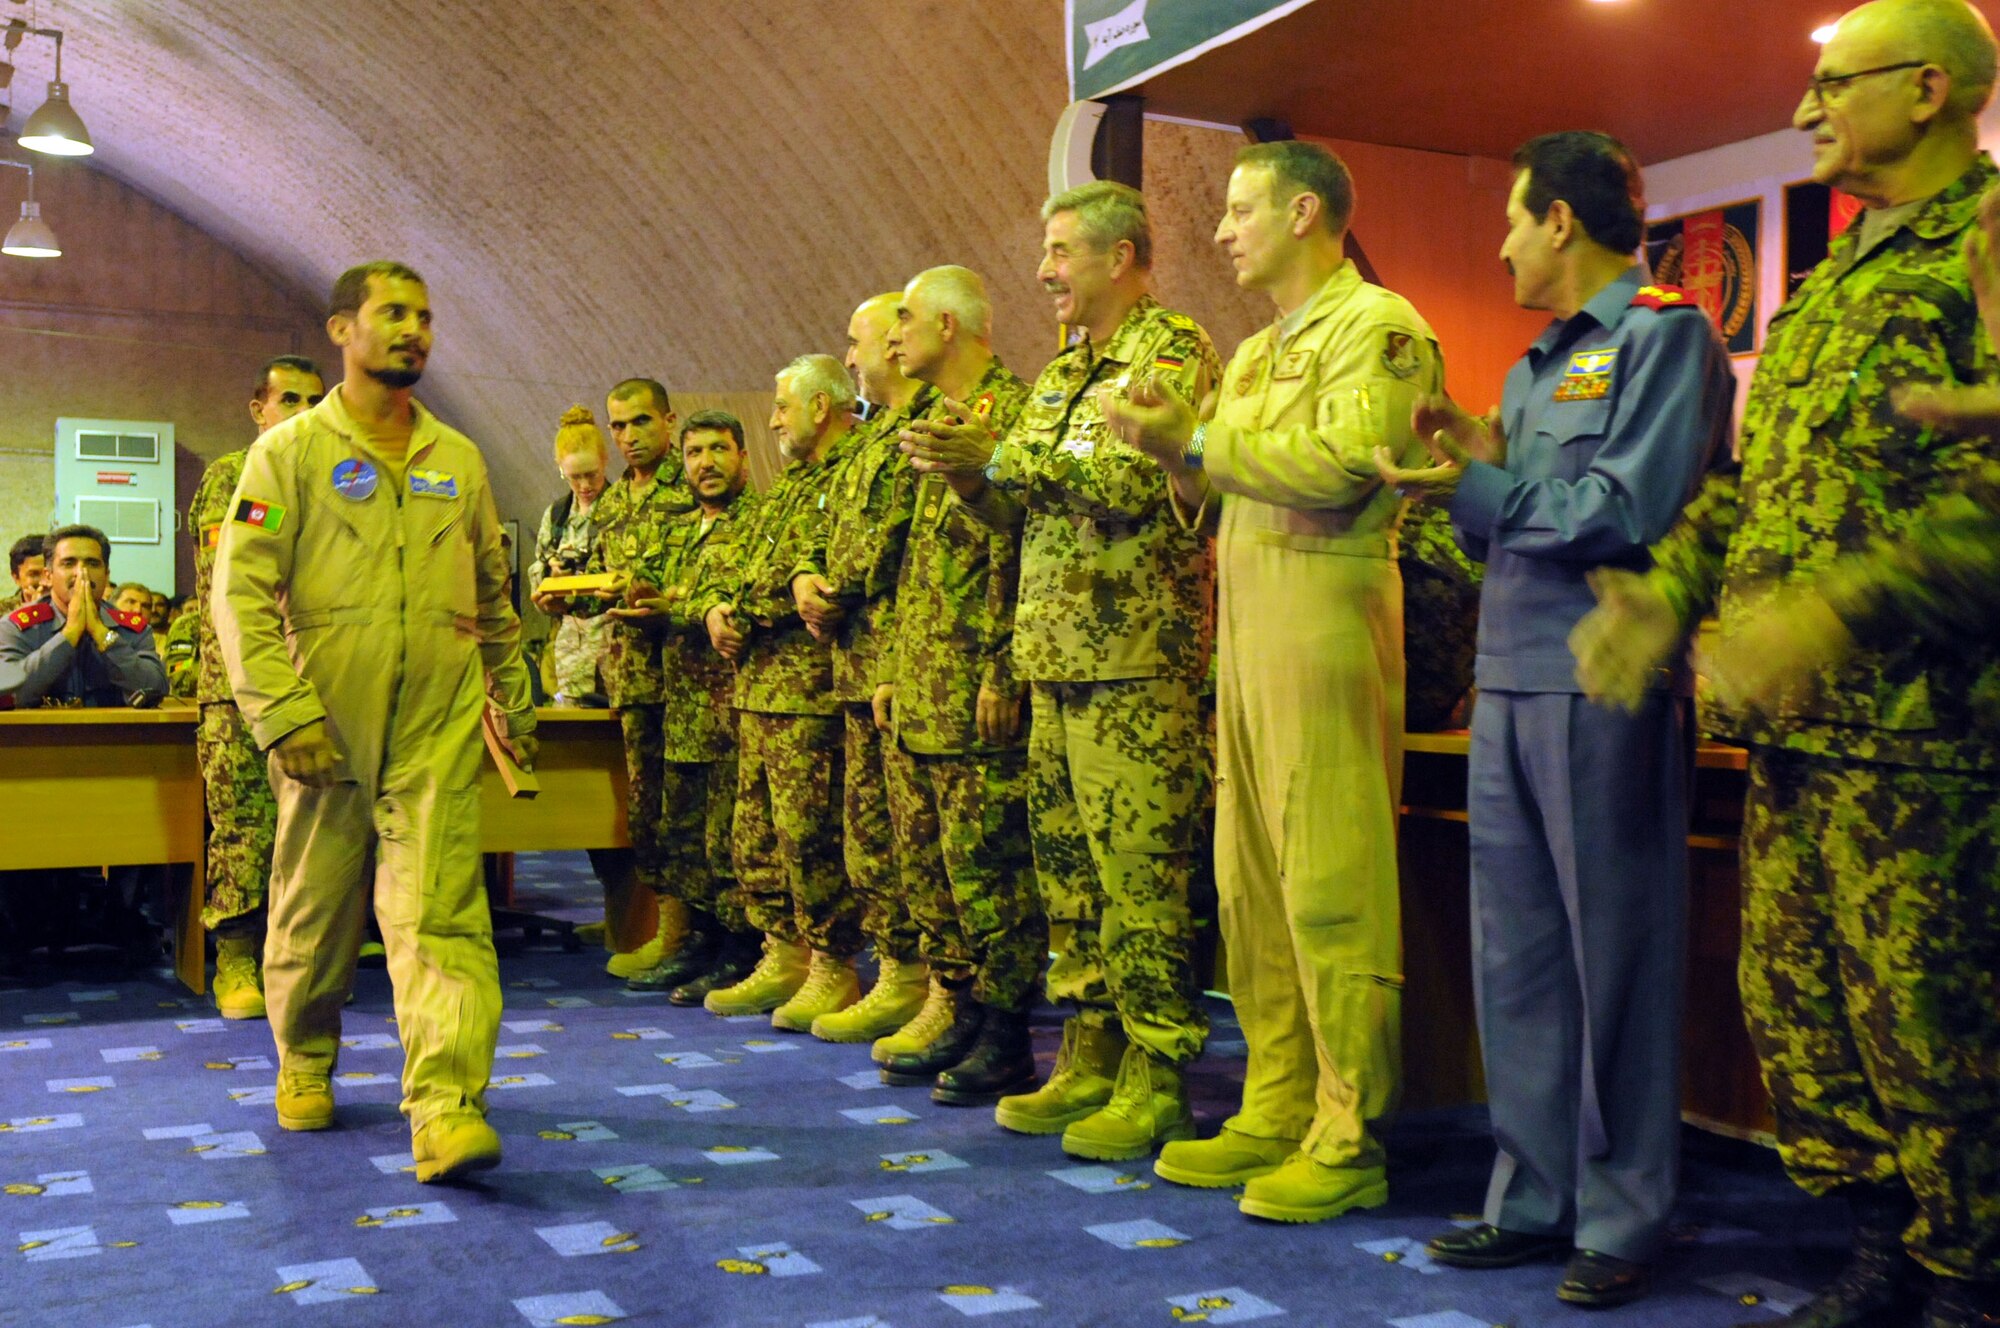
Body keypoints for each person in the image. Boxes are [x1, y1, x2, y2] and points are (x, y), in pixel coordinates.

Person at [1569, 5, 2000, 1324]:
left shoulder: (1981, 255)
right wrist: (1670, 586)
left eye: (1832, 87)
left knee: (1937, 1034)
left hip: (1927, 742)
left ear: (1929, 90)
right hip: (1800, 736)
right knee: (1808, 1015)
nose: (1806, 111)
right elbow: (1765, 488)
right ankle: (1883, 1251)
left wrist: (1827, 616)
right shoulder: (1830, 277)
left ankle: (1968, 1274)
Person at [1374, 133, 1733, 1303]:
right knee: (1516, 955)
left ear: (1562, 223)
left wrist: (1484, 487)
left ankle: (1622, 1214)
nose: (1500, 241)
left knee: (1616, 954)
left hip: (1604, 684)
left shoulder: (1665, 334)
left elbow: (1623, 503)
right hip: (1510, 676)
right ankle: (1530, 1195)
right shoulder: (1534, 366)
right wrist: (1472, 472)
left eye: (1513, 220)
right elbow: (1521, 518)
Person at [1099, 141, 1440, 1225]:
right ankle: (1276, 1095)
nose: (1218, 228)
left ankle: (1349, 1128)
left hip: (1325, 616)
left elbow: (1349, 465)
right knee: (1247, 882)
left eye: (1239, 208)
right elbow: (1218, 490)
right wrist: (1169, 450)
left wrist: (1198, 433)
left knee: (1329, 881)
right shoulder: (1252, 355)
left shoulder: (1377, 328)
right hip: (1246, 626)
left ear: (1304, 212)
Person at [903, 181, 1220, 1161]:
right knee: (1072, 883)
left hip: (1133, 670)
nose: (1042, 272)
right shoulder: (1057, 375)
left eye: (1059, 252)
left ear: (1117, 257)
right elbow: (1019, 509)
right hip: (1055, 667)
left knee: (1141, 882)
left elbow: (1133, 484)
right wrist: (967, 474)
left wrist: (998, 460)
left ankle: (1157, 1073)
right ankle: (1087, 1051)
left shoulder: (1170, 353)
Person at [213, 260, 536, 1183]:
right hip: (327, 716)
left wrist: (511, 701)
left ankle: (444, 1107)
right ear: (342, 330)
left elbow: (494, 603)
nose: (415, 330)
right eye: (393, 314)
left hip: (436, 721)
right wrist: (281, 713)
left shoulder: (459, 461)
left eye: (426, 317)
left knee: (439, 913)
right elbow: (238, 592)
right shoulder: (289, 455)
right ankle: (305, 1056)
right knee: (316, 905)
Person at [870, 265, 1042, 1104]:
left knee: (992, 869)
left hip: (982, 685)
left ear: (948, 323)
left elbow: (1024, 550)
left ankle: (1008, 1032)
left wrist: (1005, 663)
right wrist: (898, 669)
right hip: (928, 684)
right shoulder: (934, 421)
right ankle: (968, 1008)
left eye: (905, 317)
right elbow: (917, 567)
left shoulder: (1013, 416)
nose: (895, 333)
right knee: (940, 869)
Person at [694, 354, 864, 1027]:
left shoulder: (844, 479)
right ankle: (782, 951)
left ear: (820, 408)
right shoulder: (788, 488)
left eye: (782, 407)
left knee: (810, 837)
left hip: (807, 692)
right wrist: (714, 609)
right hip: (759, 690)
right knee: (758, 837)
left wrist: (756, 603)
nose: (772, 420)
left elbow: (819, 572)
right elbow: (732, 564)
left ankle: (831, 962)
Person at [787, 293, 937, 1048]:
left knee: (914, 844)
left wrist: (831, 582)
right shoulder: (868, 446)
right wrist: (805, 578)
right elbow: (826, 535)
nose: (851, 358)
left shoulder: (927, 431)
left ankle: (924, 984)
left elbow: (896, 550)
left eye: (859, 341)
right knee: (869, 840)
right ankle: (897, 975)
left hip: (902, 665)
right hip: (854, 665)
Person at [184, 354, 328, 1019]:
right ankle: (236, 954)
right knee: (243, 824)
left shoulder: (337, 484)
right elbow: (239, 575)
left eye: (314, 400)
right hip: (239, 685)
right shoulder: (232, 478)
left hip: (313, 685)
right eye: (289, 399)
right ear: (258, 410)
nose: (302, 412)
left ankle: (299, 953)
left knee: (314, 829)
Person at [546, 379, 696, 982]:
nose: (630, 436)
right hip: (630, 682)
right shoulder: (611, 506)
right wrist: (563, 599)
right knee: (651, 816)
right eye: (620, 426)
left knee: (695, 818)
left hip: (691, 680)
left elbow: (717, 574)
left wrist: (671, 599)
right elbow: (601, 590)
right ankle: (670, 933)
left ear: (668, 419)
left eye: (641, 422)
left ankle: (703, 941)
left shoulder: (692, 489)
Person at [616, 411, 764, 1003]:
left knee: (734, 839)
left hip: (734, 711)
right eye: (695, 452)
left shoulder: (760, 524)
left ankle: (739, 949)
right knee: (688, 838)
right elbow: (649, 585)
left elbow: (741, 600)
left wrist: (677, 605)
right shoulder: (679, 529)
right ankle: (697, 944)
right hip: (682, 709)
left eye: (719, 449)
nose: (706, 463)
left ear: (743, 457)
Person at [0, 525, 165, 707]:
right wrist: (68, 635)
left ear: (106, 574)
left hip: (116, 734)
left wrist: (102, 634)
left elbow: (154, 689)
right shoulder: (16, 627)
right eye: (68, 563)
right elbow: (9, 694)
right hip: (40, 735)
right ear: (48, 576)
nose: (81, 572)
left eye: (93, 564)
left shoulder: (133, 629)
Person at [529, 407, 613, 707]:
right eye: (574, 477)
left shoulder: (620, 511)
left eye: (592, 475)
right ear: (560, 468)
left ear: (605, 460)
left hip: (613, 650)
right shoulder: (556, 517)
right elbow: (538, 569)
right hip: (567, 653)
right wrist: (550, 580)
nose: (585, 486)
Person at [2, 534, 46, 613]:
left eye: (49, 572)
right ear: (16, 578)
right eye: (34, 574)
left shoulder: (70, 605)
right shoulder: (3, 611)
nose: (45, 581)